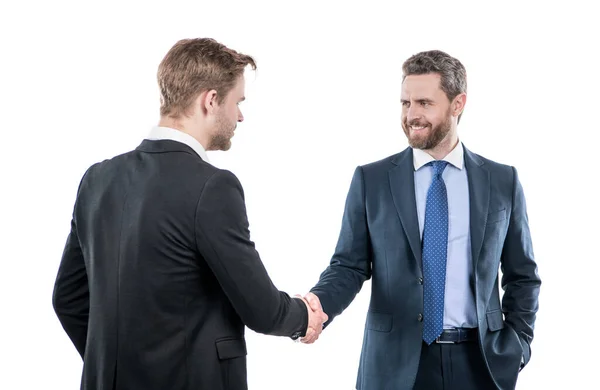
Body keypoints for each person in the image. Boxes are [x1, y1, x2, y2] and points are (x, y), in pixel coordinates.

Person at [52, 37, 327, 390]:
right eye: (237, 102)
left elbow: (68, 299)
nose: (240, 115)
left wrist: (115, 366)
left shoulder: (97, 179)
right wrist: (304, 316)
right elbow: (261, 309)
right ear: (210, 100)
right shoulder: (213, 187)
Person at [301, 50, 541, 390]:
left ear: (458, 104)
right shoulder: (373, 180)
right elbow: (348, 266)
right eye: (405, 103)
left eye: (424, 103)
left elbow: (523, 276)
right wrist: (317, 306)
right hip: (395, 366)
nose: (412, 114)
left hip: (481, 364)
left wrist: (518, 346)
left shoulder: (502, 181)